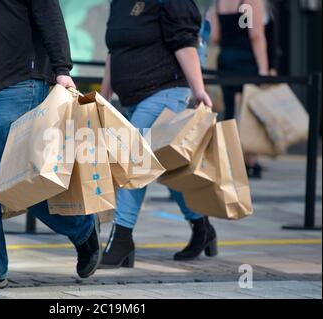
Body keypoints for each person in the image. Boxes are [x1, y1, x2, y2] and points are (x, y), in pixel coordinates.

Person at [0, 0, 102, 291]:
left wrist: (62, 68)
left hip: (16, 84)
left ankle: (82, 229)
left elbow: (49, 14)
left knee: (25, 182)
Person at [99, 0, 216, 269]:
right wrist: (103, 97)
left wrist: (198, 90)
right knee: (166, 170)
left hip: (165, 91)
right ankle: (201, 226)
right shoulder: (119, 3)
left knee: (134, 161)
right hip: (131, 98)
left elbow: (185, 42)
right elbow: (113, 51)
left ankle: (122, 239)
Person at [209, 0, 270, 178]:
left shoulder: (220, 4)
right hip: (246, 61)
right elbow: (256, 35)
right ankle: (250, 162)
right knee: (249, 112)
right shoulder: (250, 3)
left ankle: (229, 160)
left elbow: (214, 36)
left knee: (229, 112)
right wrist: (264, 69)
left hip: (226, 60)